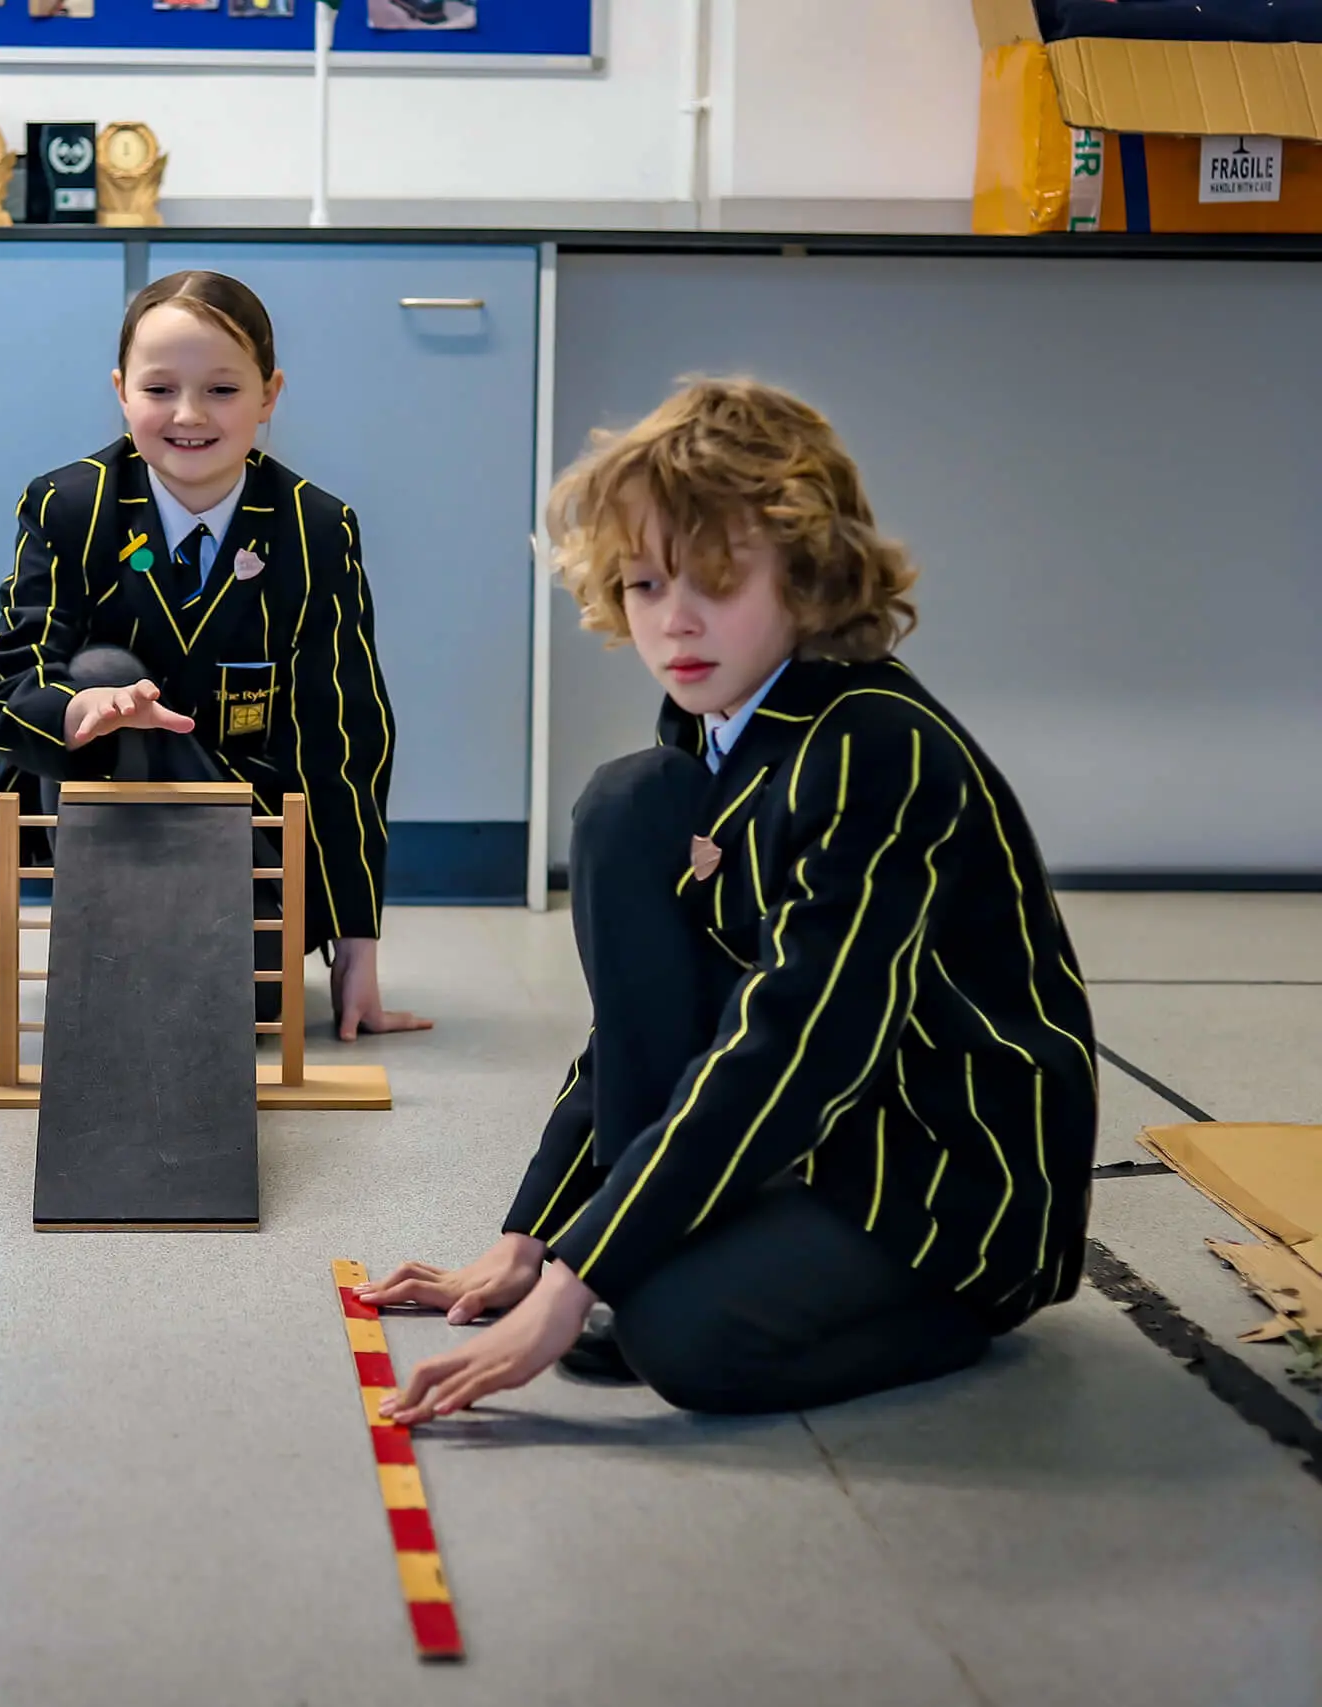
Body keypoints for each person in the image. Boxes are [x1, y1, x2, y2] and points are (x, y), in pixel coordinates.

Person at [363, 378, 1097, 1417]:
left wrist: (586, 1276)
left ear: (808, 574)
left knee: (677, 1340)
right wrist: (535, 1237)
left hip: (942, 1177)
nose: (676, 623)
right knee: (624, 804)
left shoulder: (871, 748)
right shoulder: (709, 727)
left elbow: (796, 1042)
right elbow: (638, 1018)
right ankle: (673, 1237)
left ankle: (956, 1309)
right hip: (824, 1138)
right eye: (646, 585)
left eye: (717, 580)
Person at [0, 269, 429, 1040]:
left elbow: (344, 739)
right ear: (120, 391)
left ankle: (180, 953)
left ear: (269, 395)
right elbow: (0, 689)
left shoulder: (316, 529)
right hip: (92, 818)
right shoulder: (69, 506)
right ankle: (135, 947)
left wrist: (356, 949)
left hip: (244, 849)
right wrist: (83, 710)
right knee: (105, 675)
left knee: (238, 1004)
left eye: (220, 389)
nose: (187, 415)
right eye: (158, 389)